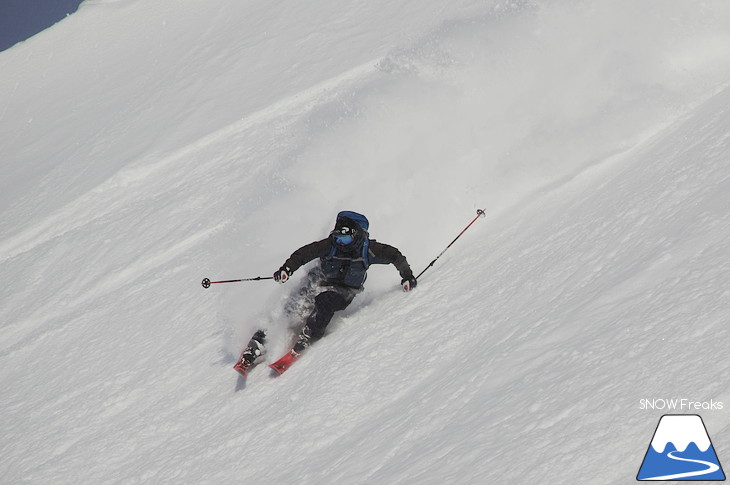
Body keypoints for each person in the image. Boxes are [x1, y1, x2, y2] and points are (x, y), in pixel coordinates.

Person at [236, 211, 417, 370]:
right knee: (292, 306)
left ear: (357, 235)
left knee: (325, 302)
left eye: (345, 239)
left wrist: (407, 276)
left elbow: (395, 256)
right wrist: (287, 269)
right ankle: (259, 341)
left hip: (344, 290)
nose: (341, 242)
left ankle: (310, 333)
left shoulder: (369, 250)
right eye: (338, 237)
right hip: (319, 279)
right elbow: (304, 254)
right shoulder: (330, 244)